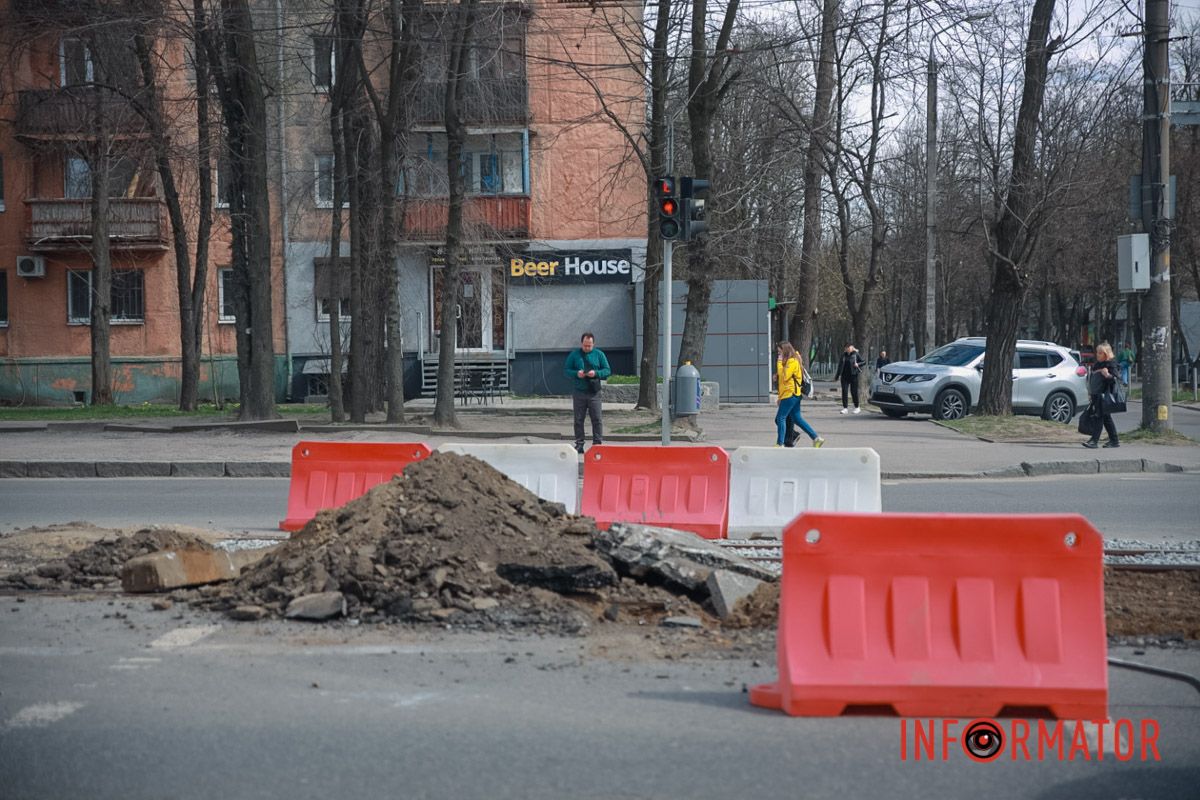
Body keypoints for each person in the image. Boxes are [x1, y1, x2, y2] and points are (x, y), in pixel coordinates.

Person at [564, 332, 611, 453]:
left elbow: (607, 370)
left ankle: (597, 444)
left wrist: (596, 373)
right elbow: (567, 370)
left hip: (594, 392)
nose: (587, 348)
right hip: (579, 391)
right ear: (581, 343)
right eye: (585, 345)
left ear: (593, 344)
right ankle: (579, 444)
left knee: (597, 418)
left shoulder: (599, 354)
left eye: (589, 346)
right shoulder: (575, 355)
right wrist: (576, 374)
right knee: (578, 419)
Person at [776, 342, 824, 448]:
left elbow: (785, 377)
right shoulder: (790, 361)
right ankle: (816, 438)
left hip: (790, 394)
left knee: (780, 418)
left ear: (785, 351)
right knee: (797, 419)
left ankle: (780, 444)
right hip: (792, 394)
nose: (779, 355)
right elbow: (783, 379)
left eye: (780, 352)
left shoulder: (792, 361)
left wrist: (779, 363)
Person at [1082, 342, 1120, 449]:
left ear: (1106, 354)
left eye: (1100, 353)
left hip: (1104, 395)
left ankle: (1094, 441)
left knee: (1099, 417)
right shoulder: (1098, 364)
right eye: (1097, 353)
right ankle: (1114, 440)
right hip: (1096, 394)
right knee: (1106, 418)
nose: (1097, 355)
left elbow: (1115, 379)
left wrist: (1107, 375)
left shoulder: (1110, 364)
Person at [834, 343, 866, 414]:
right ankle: (845, 408)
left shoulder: (856, 354)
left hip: (853, 376)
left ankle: (857, 407)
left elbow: (864, 362)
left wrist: (858, 364)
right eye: (846, 348)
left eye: (849, 347)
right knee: (844, 392)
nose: (847, 349)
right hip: (844, 376)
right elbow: (840, 366)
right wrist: (837, 376)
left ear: (852, 348)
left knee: (853, 392)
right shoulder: (843, 356)